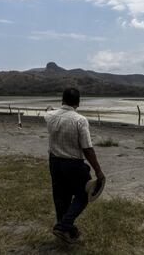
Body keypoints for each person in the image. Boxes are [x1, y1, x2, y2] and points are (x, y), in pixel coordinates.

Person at [44, 88, 105, 243]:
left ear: (62, 100)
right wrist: (98, 171)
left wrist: (53, 108)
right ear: (78, 102)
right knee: (83, 195)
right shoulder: (80, 120)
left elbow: (49, 111)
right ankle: (63, 226)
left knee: (60, 196)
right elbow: (87, 149)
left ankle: (68, 230)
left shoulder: (49, 116)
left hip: (54, 162)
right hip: (73, 163)